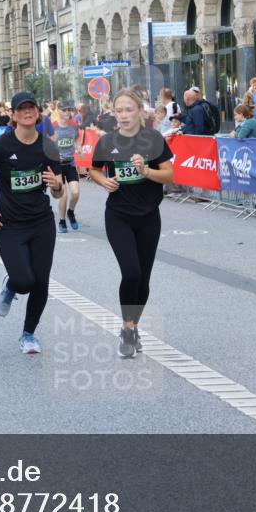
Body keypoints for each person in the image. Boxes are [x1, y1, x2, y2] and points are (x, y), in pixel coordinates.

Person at [0, 91, 63, 354]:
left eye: (31, 108)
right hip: (9, 224)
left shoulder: (48, 146)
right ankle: (11, 285)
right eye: (21, 109)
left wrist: (57, 186)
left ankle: (28, 334)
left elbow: (57, 190)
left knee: (41, 281)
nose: (27, 112)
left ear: (38, 113)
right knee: (24, 280)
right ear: (12, 115)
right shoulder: (1, 146)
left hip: (41, 222)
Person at [89, 88, 174, 358]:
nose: (124, 115)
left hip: (149, 216)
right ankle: (126, 330)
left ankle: (133, 326)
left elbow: (169, 175)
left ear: (139, 112)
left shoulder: (153, 139)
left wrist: (146, 170)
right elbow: (93, 169)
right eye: (119, 110)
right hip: (118, 215)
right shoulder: (107, 142)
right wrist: (105, 181)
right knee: (132, 273)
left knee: (144, 278)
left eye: (129, 110)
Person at [51, 101, 81, 233]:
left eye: (69, 110)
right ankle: (62, 221)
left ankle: (71, 212)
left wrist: (78, 147)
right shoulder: (53, 128)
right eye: (64, 110)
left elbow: (76, 140)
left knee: (75, 193)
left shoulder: (74, 126)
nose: (67, 112)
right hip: (57, 166)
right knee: (63, 196)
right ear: (58, 111)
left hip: (70, 164)